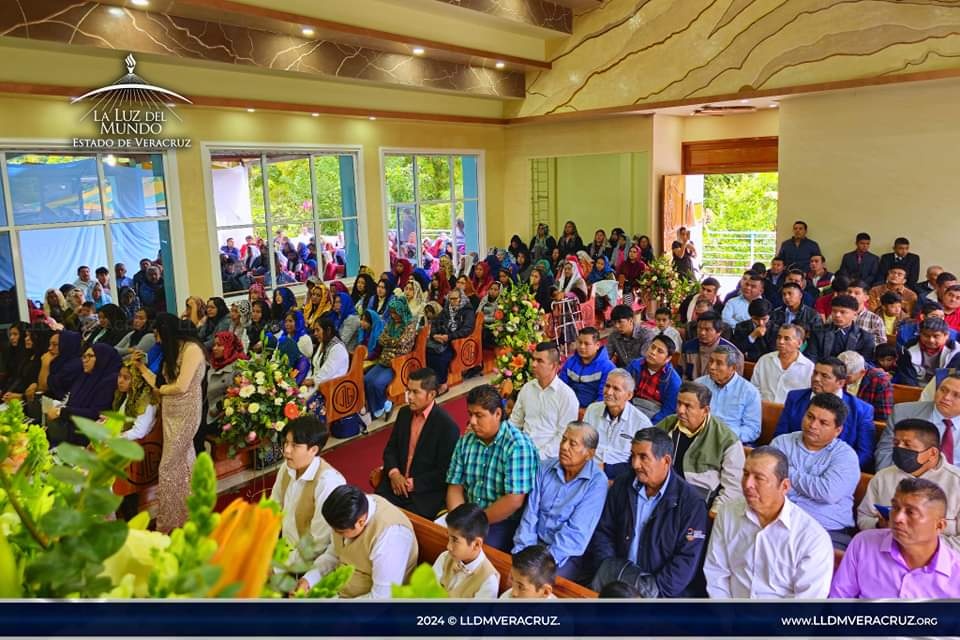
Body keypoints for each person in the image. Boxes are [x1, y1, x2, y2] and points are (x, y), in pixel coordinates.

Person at [589, 427, 708, 597]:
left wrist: (650, 592)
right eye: (633, 455)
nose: (635, 464)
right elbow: (604, 531)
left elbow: (686, 561)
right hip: (615, 581)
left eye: (643, 457)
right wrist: (609, 572)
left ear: (666, 461)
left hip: (659, 594)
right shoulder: (622, 484)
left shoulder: (691, 504)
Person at [704, 447, 833, 599]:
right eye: (746, 474)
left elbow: (806, 603)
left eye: (759, 478)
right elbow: (716, 572)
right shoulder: (728, 513)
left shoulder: (812, 537)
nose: (747, 484)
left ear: (784, 486)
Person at [133, 313, 206, 532]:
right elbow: (160, 382)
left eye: (158, 335)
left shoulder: (192, 349)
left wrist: (162, 390)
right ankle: (190, 513)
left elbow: (181, 386)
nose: (157, 340)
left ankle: (167, 522)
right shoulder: (174, 349)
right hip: (170, 412)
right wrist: (141, 368)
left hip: (186, 412)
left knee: (167, 467)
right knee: (184, 462)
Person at [831, 478, 960, 598]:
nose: (897, 518)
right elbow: (839, 600)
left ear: (939, 525)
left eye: (911, 512)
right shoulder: (864, 544)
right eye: (895, 508)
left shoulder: (956, 573)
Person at [446, 384, 539, 551]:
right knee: (442, 538)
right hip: (469, 514)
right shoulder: (466, 441)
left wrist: (474, 524)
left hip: (501, 520)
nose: (472, 422)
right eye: (470, 414)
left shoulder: (517, 446)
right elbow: (455, 485)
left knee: (474, 550)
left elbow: (514, 500)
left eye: (479, 415)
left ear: (497, 414)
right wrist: (458, 520)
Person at [513, 422, 607, 580]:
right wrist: (521, 553)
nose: (564, 446)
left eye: (573, 444)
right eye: (563, 439)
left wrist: (539, 564)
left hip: (565, 555)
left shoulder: (596, 483)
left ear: (589, 454)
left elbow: (575, 535)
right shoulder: (544, 467)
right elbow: (530, 516)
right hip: (534, 544)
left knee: (537, 583)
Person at [770, 392, 859, 548]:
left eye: (823, 423)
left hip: (826, 529)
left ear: (838, 430)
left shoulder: (846, 456)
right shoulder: (781, 443)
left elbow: (828, 492)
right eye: (810, 417)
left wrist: (785, 472)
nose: (813, 425)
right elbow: (768, 480)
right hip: (778, 520)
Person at [857, 419, 960, 548]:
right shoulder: (883, 477)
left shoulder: (956, 482)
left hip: (941, 556)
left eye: (907, 444)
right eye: (896, 443)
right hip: (886, 549)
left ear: (932, 453)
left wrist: (920, 544)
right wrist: (878, 525)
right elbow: (864, 517)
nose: (899, 449)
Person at [269, 415, 346, 583]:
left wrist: (276, 567)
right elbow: (272, 508)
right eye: (286, 443)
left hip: (309, 566)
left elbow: (317, 544)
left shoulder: (327, 483)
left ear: (313, 450)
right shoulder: (287, 468)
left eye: (295, 445)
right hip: (284, 549)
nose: (286, 450)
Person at [304, 484, 418, 597]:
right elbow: (334, 555)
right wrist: (309, 579)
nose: (335, 534)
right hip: (340, 590)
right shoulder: (351, 511)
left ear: (360, 522)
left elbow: (381, 597)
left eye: (340, 532)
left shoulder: (390, 536)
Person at [376, 368, 460, 519]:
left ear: (432, 394)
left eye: (415, 392)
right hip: (393, 487)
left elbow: (445, 472)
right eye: (408, 391)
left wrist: (412, 484)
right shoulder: (404, 414)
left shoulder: (447, 426)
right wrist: (394, 474)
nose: (409, 397)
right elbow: (391, 449)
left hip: (423, 495)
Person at [655, 381, 745, 513]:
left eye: (688, 406)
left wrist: (714, 511)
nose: (680, 410)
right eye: (679, 403)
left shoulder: (727, 440)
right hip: (662, 492)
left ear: (705, 410)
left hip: (697, 503)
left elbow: (733, 487)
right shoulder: (668, 423)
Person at [773, 358, 875, 469]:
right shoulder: (795, 397)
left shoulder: (861, 410)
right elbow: (780, 434)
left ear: (840, 383)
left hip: (836, 470)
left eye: (824, 376)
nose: (816, 378)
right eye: (815, 373)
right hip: (791, 464)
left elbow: (865, 453)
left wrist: (839, 469)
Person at [509, 342, 579, 460]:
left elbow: (564, 437)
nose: (534, 364)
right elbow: (515, 422)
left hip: (550, 458)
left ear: (554, 366)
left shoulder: (567, 396)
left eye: (540, 361)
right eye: (533, 359)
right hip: (523, 451)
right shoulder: (527, 388)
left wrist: (537, 456)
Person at [876, 372, 960, 470]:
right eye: (943, 390)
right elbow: (886, 452)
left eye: (956, 395)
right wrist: (891, 478)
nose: (946, 397)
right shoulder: (903, 413)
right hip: (906, 476)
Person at [44, 343, 121, 447]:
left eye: (90, 356)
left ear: (102, 358)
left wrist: (61, 412)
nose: (84, 360)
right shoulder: (86, 376)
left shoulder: (109, 381)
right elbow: (71, 401)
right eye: (84, 356)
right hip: (71, 429)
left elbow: (96, 413)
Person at [583, 369, 653, 479]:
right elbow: (583, 444)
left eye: (616, 389)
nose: (609, 392)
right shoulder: (592, 409)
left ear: (629, 395)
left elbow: (642, 461)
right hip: (588, 470)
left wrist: (606, 470)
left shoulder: (642, 423)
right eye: (607, 386)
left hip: (621, 477)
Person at [364, 297, 417, 420]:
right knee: (367, 379)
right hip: (384, 359)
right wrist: (392, 341)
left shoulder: (410, 325)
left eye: (396, 313)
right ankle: (383, 405)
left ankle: (380, 407)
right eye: (391, 313)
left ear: (402, 311)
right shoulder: (390, 323)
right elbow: (381, 339)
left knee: (377, 384)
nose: (393, 316)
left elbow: (402, 342)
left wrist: (388, 341)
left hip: (398, 362)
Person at [695, 347, 761, 443]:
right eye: (711, 361)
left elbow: (752, 429)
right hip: (699, 437)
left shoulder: (749, 392)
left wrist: (725, 435)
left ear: (733, 368)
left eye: (719, 363)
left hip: (730, 441)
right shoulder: (699, 384)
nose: (712, 367)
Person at [432, 503, 499, 599]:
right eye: (449, 537)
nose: (448, 546)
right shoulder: (445, 557)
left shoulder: (488, 582)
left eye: (455, 540)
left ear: (476, 544)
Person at [425, 289, 476, 396]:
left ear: (461, 299)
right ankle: (433, 383)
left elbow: (466, 330)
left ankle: (443, 384)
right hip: (443, 339)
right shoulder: (446, 310)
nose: (452, 301)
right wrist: (434, 335)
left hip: (457, 342)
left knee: (441, 356)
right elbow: (435, 323)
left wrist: (449, 337)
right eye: (450, 299)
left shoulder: (468, 311)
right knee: (428, 351)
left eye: (455, 299)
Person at [750, 324, 815, 404]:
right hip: (762, 407)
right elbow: (754, 387)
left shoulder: (809, 368)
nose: (781, 342)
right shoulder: (765, 360)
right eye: (779, 337)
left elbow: (808, 397)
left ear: (799, 343)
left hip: (791, 410)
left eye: (787, 339)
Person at [627, 334, 682, 423]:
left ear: (668, 358)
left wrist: (650, 425)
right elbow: (624, 391)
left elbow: (668, 411)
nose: (653, 352)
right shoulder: (634, 365)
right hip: (631, 407)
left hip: (654, 414)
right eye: (652, 347)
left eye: (660, 351)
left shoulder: (673, 381)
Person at [804, 294, 876, 362]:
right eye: (834, 311)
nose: (837, 315)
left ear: (855, 314)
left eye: (843, 312)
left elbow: (865, 363)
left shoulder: (865, 338)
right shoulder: (819, 332)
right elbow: (811, 357)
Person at [559, 327, 615, 409]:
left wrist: (587, 412)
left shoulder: (608, 368)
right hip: (568, 407)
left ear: (597, 345)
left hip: (593, 411)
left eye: (586, 344)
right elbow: (561, 387)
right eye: (579, 342)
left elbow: (603, 397)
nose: (582, 347)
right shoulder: (570, 362)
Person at [895, 317, 960, 387]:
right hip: (916, 386)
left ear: (946, 336)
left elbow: (953, 378)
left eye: (936, 336)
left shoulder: (956, 352)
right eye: (926, 335)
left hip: (944, 387)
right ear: (920, 334)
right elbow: (907, 376)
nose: (931, 340)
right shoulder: (907, 349)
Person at [680, 312, 743, 381]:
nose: (702, 333)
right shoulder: (688, 347)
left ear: (719, 332)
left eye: (707, 329)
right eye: (699, 328)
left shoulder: (733, 353)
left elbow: (734, 382)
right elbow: (681, 373)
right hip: (691, 386)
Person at [205, 331, 247, 435]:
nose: (214, 348)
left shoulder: (239, 366)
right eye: (214, 345)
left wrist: (218, 408)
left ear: (230, 347)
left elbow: (236, 395)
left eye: (219, 345)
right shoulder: (213, 363)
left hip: (223, 416)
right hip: (208, 410)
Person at [838, 349, 894, 422]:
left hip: (863, 422)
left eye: (847, 377)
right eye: (839, 375)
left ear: (862, 372)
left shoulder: (881, 381)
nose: (841, 380)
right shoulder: (834, 374)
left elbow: (883, 417)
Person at [113, 361, 158, 441]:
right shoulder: (130, 395)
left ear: (137, 380)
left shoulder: (145, 401)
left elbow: (139, 432)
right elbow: (122, 417)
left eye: (126, 378)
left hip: (137, 444)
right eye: (119, 376)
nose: (120, 381)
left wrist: (113, 438)